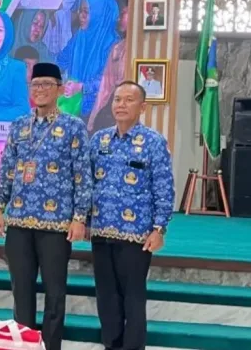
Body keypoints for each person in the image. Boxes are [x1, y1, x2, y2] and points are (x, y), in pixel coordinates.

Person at [0, 62, 92, 350]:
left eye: (47, 84)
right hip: (19, 221)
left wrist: (79, 217)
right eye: (36, 85)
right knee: (21, 293)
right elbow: (7, 168)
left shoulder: (73, 126)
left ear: (59, 90)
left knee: (54, 294)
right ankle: (24, 346)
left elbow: (82, 175)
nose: (40, 90)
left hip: (56, 224)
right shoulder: (19, 125)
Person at [89, 81, 174, 350]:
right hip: (101, 231)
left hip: (136, 235)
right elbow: (87, 183)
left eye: (129, 100)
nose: (121, 105)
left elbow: (164, 187)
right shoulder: (99, 140)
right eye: (117, 99)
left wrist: (159, 229)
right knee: (106, 298)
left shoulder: (153, 142)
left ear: (142, 107)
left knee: (133, 298)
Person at [57, 0, 120, 118]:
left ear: (99, 14)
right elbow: (61, 60)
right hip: (72, 105)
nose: (81, 16)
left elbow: (108, 80)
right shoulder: (79, 36)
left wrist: (81, 87)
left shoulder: (114, 44)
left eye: (86, 11)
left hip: (99, 113)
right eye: (80, 11)